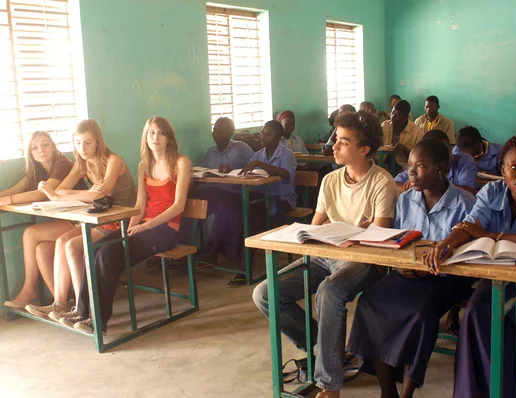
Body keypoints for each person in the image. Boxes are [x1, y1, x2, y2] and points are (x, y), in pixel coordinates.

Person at [253, 111, 397, 398]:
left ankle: (329, 385)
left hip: (363, 259)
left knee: (329, 291)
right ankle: (328, 349)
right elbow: (316, 226)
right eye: (335, 139)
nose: (334, 146)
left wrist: (352, 233)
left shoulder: (382, 182)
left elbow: (376, 238)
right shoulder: (330, 180)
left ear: (364, 149)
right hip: (326, 253)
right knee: (265, 293)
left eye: (343, 142)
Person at [424, 135, 516, 397]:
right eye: (514, 167)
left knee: (503, 334)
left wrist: (494, 237)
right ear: (502, 169)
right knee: (475, 316)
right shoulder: (492, 191)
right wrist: (447, 242)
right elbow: (469, 227)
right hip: (500, 278)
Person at [347, 138, 476, 398]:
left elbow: (469, 253)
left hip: (446, 277)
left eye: (421, 166)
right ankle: (387, 391)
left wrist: (432, 267)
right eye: (410, 166)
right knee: (369, 304)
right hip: (406, 274)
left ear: (441, 168)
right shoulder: (406, 200)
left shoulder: (465, 203)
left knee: (419, 315)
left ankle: (406, 393)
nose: (411, 173)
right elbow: (396, 240)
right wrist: (398, 265)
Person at [59, 117, 191, 334]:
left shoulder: (180, 162)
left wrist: (145, 227)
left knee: (108, 255)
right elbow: (140, 205)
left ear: (169, 138)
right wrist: (129, 228)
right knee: (95, 249)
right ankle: (82, 312)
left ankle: (98, 322)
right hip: (144, 226)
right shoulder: (143, 166)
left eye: (160, 133)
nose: (155, 138)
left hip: (166, 230)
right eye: (150, 133)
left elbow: (178, 206)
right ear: (145, 138)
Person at [24, 119, 137, 319]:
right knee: (61, 241)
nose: (82, 148)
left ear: (97, 142)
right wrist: (76, 194)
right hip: (101, 219)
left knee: (72, 246)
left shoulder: (113, 160)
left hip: (122, 221)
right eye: (77, 143)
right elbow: (57, 191)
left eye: (87, 142)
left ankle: (83, 308)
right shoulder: (81, 163)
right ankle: (59, 303)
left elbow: (99, 196)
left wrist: (71, 195)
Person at [200, 120, 297, 286]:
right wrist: (229, 170)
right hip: (260, 197)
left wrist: (260, 164)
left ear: (278, 137)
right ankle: (214, 251)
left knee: (251, 217)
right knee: (227, 206)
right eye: (262, 133)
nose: (263, 137)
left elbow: (285, 173)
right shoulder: (259, 153)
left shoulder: (286, 154)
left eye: (268, 134)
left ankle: (246, 268)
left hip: (281, 200)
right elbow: (247, 169)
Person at [1, 131, 84, 309]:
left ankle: (29, 289)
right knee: (41, 249)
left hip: (80, 218)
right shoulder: (37, 169)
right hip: (65, 219)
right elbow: (18, 188)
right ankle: (60, 304)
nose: (41, 150)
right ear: (30, 153)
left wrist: (5, 201)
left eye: (45, 145)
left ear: (53, 147)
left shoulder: (62, 163)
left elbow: (42, 193)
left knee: (30, 233)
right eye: (35, 148)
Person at [395, 129, 477, 194]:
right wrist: (416, 185)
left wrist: (428, 185)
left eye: (447, 151)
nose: (445, 157)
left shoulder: (464, 160)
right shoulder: (420, 166)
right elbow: (392, 185)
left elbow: (468, 192)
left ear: (451, 148)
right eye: (438, 154)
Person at [381, 100, 424, 170]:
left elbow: (419, 158)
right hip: (384, 164)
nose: (392, 117)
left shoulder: (416, 132)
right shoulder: (385, 125)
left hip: (404, 168)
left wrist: (403, 149)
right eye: (392, 113)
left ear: (406, 117)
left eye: (397, 115)